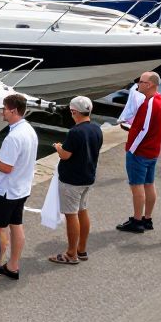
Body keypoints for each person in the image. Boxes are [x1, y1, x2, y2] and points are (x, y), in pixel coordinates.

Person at [0, 93, 38, 284]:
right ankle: (13, 265)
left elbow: (7, 167)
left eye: (4, 109)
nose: (2, 113)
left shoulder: (13, 137)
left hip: (7, 190)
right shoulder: (29, 130)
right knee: (16, 225)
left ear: (14, 111)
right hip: (22, 187)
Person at [51, 96, 102, 263]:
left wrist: (58, 147)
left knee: (71, 215)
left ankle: (71, 254)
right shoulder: (96, 129)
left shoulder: (75, 132)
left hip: (72, 180)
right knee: (82, 211)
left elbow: (65, 155)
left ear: (74, 112)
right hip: (88, 177)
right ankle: (82, 249)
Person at [117, 70, 161, 233]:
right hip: (153, 150)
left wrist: (132, 148)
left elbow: (144, 129)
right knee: (149, 184)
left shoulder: (149, 103)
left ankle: (137, 221)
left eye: (141, 82)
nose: (138, 84)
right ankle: (147, 219)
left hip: (140, 151)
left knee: (136, 186)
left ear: (150, 84)